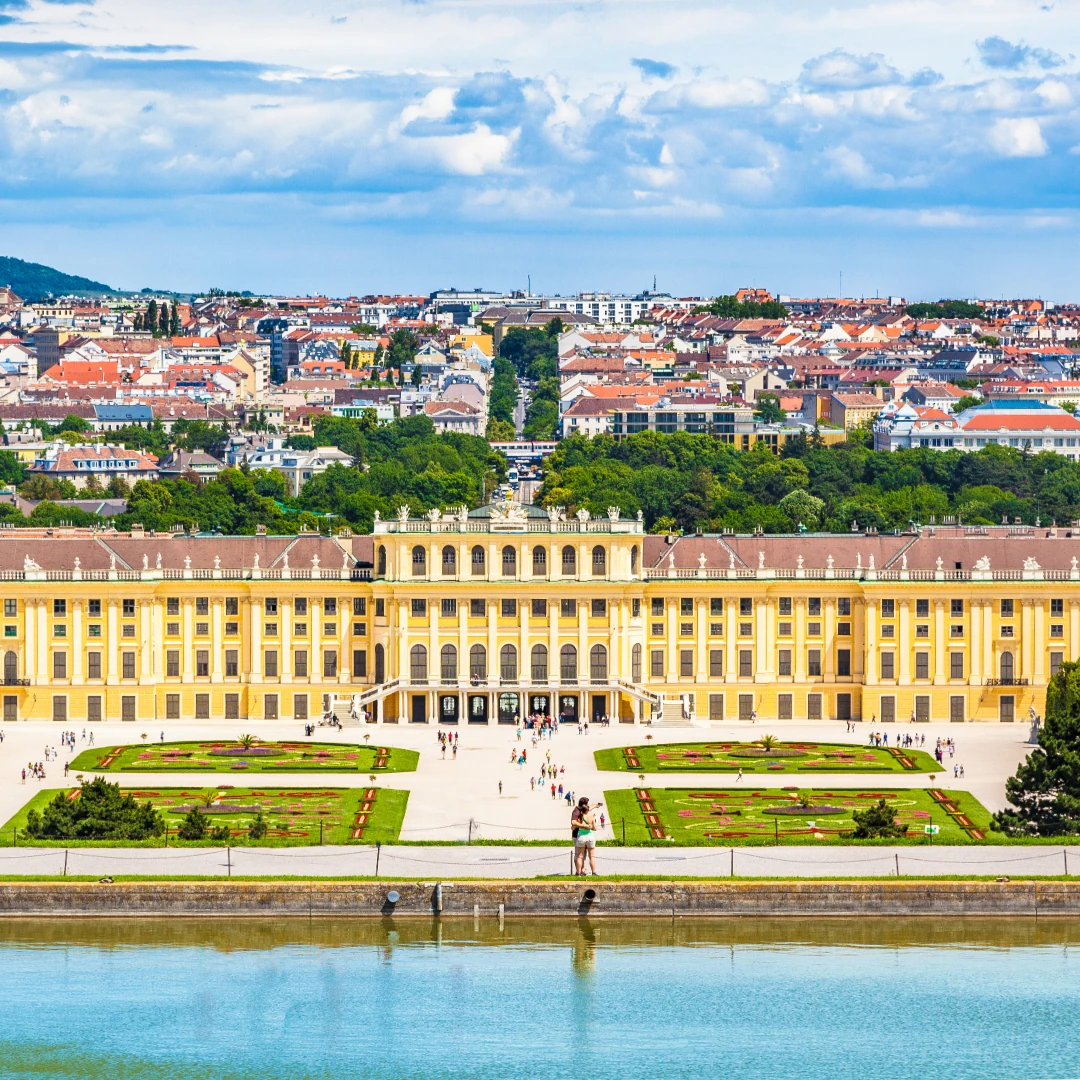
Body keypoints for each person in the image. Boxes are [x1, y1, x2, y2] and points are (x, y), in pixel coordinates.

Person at [573, 797, 598, 876]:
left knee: (580, 856)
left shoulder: (579, 818)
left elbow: (573, 826)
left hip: (581, 837)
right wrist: (590, 827)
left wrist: (595, 805)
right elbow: (595, 829)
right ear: (587, 810)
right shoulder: (591, 817)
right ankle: (594, 872)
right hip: (590, 836)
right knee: (592, 856)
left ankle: (578, 872)